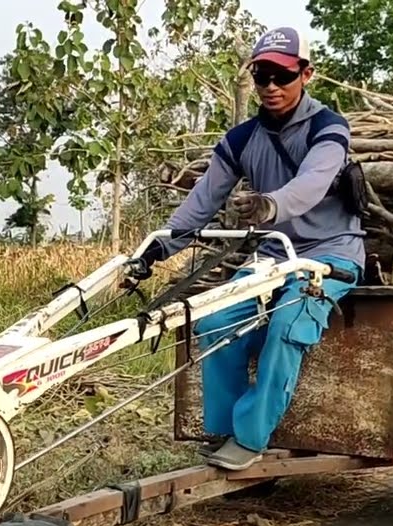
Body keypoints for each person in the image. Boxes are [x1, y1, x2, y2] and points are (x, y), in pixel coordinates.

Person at [128, 26, 366, 471]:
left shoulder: (328, 128)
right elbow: (201, 203)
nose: (271, 87)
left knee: (288, 323)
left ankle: (250, 437)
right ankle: (222, 430)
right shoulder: (241, 140)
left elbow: (313, 183)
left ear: (306, 74)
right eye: (262, 76)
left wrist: (269, 204)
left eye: (282, 75)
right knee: (216, 318)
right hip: (275, 257)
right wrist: (157, 249)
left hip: (328, 256)